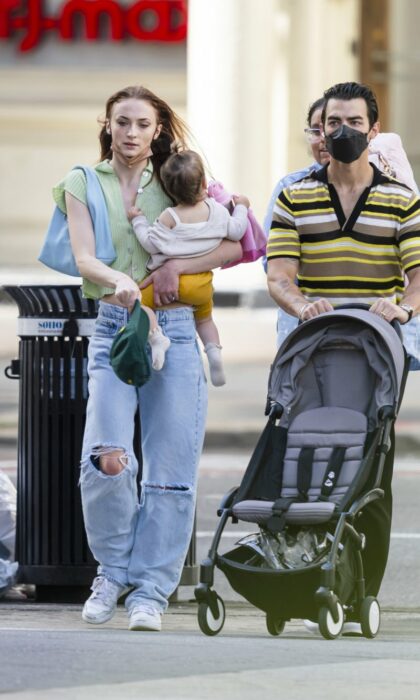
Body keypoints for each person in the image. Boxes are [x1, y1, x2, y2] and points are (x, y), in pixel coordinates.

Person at [56, 85, 242, 632]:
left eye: (142, 123)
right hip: (116, 327)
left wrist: (174, 271)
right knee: (106, 457)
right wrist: (120, 281)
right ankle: (112, 573)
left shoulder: (181, 178)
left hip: (180, 330)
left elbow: (237, 243)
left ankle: (151, 592)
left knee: (171, 475)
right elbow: (85, 256)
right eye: (122, 123)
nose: (131, 133)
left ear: (158, 128)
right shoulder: (82, 182)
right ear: (107, 124)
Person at [266, 81, 420, 623]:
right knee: (308, 459)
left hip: (376, 349)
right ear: (321, 129)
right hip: (314, 345)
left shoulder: (401, 198)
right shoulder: (295, 196)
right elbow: (279, 274)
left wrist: (402, 306)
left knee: (371, 464)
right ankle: (308, 574)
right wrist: (300, 302)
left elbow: (419, 275)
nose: (343, 132)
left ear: (373, 131)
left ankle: (364, 593)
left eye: (355, 123)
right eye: (333, 123)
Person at [128, 149, 250, 386]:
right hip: (202, 284)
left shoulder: (170, 217)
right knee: (204, 321)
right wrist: (242, 206)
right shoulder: (216, 210)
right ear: (204, 182)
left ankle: (156, 338)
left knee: (137, 304)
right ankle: (214, 353)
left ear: (169, 190)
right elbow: (237, 230)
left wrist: (138, 220)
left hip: (167, 284)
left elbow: (150, 244)